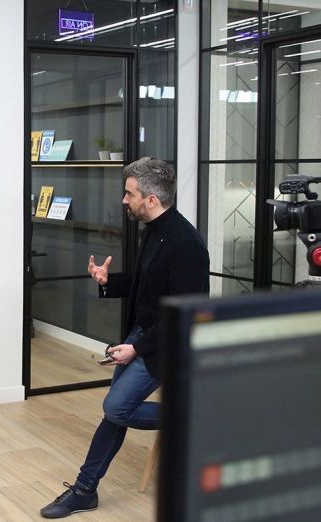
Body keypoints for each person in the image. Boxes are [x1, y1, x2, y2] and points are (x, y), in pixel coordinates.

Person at [40, 157, 210, 518]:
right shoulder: (154, 229)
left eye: (129, 193)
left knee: (116, 408)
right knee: (115, 413)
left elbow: (187, 314)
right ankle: (85, 490)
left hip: (166, 345)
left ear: (150, 199)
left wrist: (137, 348)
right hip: (143, 334)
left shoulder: (186, 244)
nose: (123, 200)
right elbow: (147, 283)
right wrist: (108, 281)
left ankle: (190, 416)